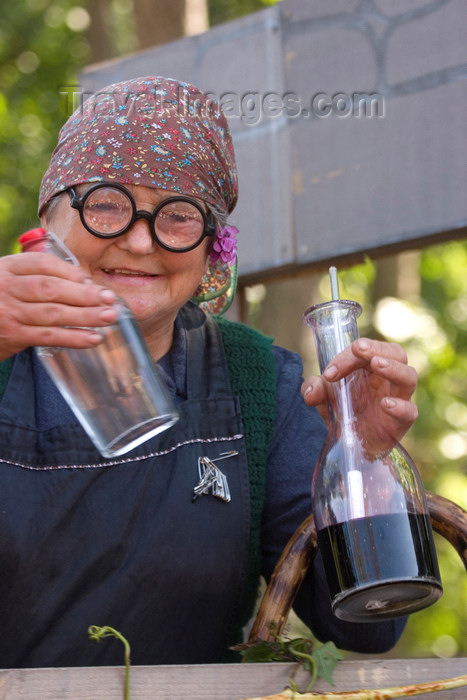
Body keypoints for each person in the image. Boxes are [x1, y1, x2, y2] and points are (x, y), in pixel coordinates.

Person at [0, 76, 418, 668]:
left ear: (210, 247)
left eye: (177, 214)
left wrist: (363, 460)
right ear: (50, 218)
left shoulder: (257, 384)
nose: (141, 241)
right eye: (107, 203)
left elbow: (369, 627)